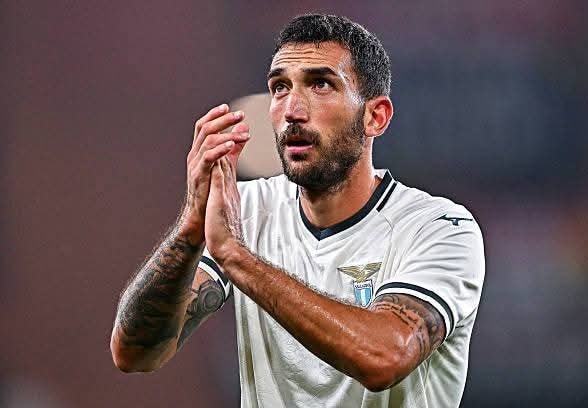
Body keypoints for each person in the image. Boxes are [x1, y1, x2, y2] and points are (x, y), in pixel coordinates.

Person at [110, 14, 485, 408]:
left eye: (320, 84)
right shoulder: (247, 210)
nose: (292, 109)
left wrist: (237, 257)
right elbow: (134, 353)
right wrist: (190, 228)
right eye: (280, 87)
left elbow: (384, 358)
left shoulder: (441, 228)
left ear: (375, 116)